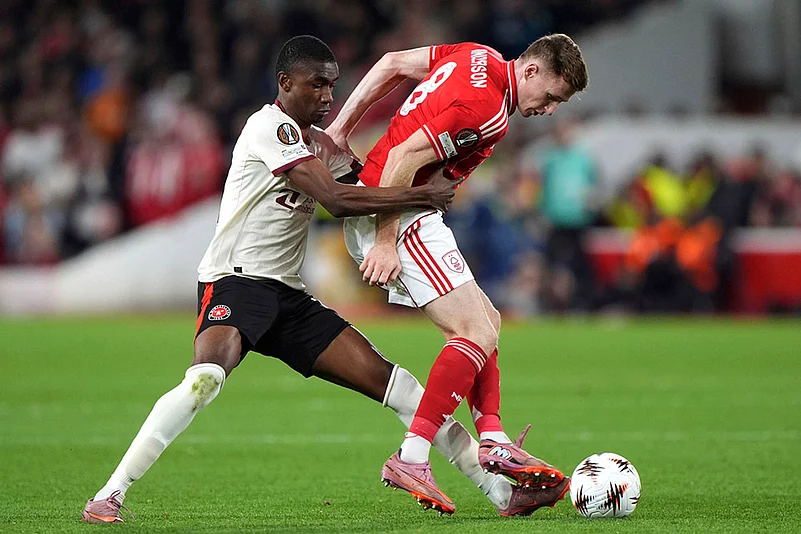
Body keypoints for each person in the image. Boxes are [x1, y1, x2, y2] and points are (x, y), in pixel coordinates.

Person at [81, 35, 554, 524]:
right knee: (205, 379)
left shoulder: (321, 146)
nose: (329, 96)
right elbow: (338, 200)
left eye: (332, 86)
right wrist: (417, 197)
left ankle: (500, 492)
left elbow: (369, 184)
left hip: (289, 299)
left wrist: (405, 182)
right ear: (286, 83)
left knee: (398, 385)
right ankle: (109, 494)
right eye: (318, 85)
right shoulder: (270, 128)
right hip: (235, 283)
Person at [326, 34, 588, 512]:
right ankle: (412, 456)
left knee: (488, 323)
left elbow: (390, 62)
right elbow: (405, 158)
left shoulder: (477, 55)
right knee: (471, 330)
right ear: (530, 71)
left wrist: (340, 129)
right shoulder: (483, 109)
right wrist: (385, 242)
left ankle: (493, 438)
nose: (549, 110)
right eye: (551, 97)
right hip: (397, 209)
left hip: (404, 205)